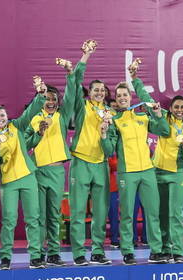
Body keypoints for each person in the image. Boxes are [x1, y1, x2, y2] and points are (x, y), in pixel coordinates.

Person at [100, 60, 170, 265]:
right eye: (119, 95)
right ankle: (128, 251)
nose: (122, 98)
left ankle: (156, 251)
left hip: (147, 171)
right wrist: (104, 134)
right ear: (116, 99)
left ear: (130, 98)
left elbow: (164, 131)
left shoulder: (142, 117)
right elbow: (109, 149)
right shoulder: (114, 120)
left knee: (152, 213)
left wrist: (157, 115)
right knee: (128, 215)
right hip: (127, 173)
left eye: (125, 95)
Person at [130, 65, 183, 263]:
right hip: (157, 172)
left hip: (177, 174)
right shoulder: (164, 116)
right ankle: (162, 248)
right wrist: (135, 78)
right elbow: (146, 98)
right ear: (172, 108)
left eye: (182, 107)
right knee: (159, 213)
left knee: (175, 213)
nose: (179, 110)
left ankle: (177, 250)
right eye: (176, 107)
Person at [0, 77, 47, 270]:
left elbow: (30, 112)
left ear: (6, 116)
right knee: (9, 220)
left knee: (32, 219)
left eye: (2, 115)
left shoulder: (16, 126)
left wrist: (41, 94)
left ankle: (36, 256)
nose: (0, 119)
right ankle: (5, 257)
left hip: (28, 177)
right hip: (9, 182)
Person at [24, 57, 76, 267]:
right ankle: (36, 254)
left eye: (54, 98)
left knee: (54, 215)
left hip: (56, 172)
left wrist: (70, 73)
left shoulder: (62, 117)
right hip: (37, 171)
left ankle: (54, 252)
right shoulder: (33, 117)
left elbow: (72, 96)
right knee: (37, 216)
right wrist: (38, 132)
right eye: (46, 98)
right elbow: (24, 142)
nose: (51, 101)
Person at [68, 40, 113, 266]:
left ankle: (97, 251)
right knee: (77, 211)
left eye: (102, 90)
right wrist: (85, 57)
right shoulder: (81, 106)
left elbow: (111, 148)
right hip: (81, 162)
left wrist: (105, 134)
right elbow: (75, 80)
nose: (99, 92)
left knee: (100, 213)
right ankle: (78, 253)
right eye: (95, 89)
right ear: (90, 93)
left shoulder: (110, 113)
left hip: (101, 165)